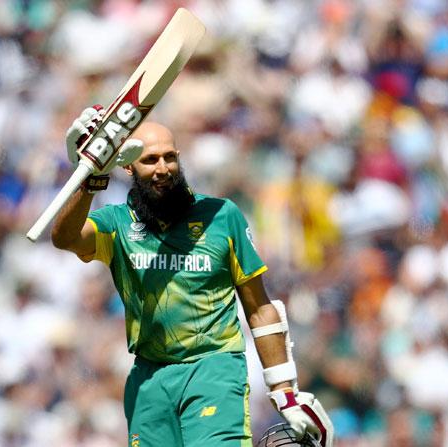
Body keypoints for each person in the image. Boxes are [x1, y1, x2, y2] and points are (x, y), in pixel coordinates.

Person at [51, 107, 334, 447]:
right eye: (150, 160)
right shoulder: (116, 224)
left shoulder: (220, 216)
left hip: (213, 369)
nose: (162, 169)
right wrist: (91, 175)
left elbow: (259, 307)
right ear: (127, 166)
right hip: (149, 378)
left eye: (169, 158)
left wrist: (284, 389)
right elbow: (65, 237)